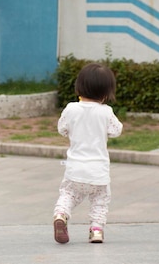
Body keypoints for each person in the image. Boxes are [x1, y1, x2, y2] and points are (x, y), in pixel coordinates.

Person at [52, 63, 123, 244]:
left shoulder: (71, 109)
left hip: (75, 169)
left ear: (79, 86)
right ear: (106, 93)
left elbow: (62, 128)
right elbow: (116, 130)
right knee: (100, 199)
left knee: (68, 194)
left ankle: (61, 215)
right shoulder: (105, 112)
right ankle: (97, 230)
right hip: (98, 170)